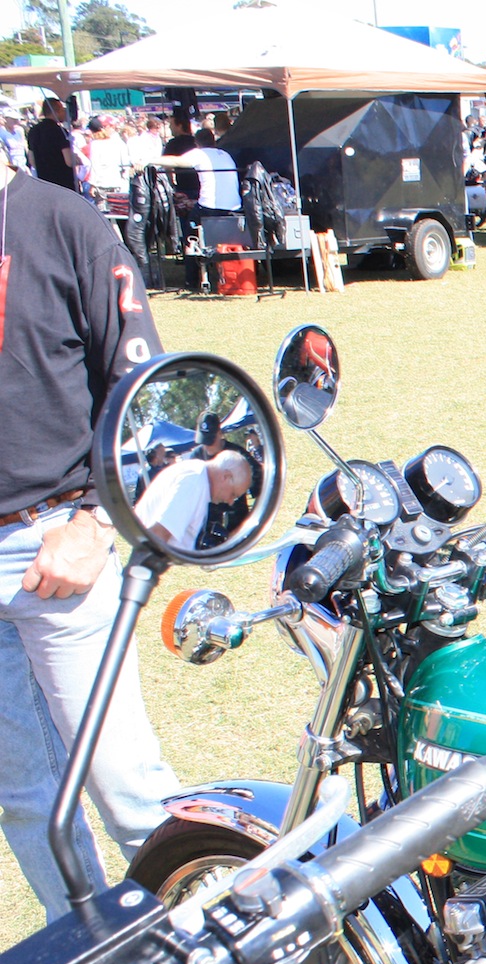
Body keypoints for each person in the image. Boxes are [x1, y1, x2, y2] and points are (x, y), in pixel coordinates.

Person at [0, 144, 179, 918]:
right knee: (25, 797)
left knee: (128, 788)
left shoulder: (64, 221)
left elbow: (144, 389)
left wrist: (95, 520)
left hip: (54, 543)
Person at [133, 451, 254, 550]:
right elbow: (157, 535)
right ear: (226, 477)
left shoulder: (197, 473)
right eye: (233, 494)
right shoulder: (194, 482)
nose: (231, 501)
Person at [26, 98, 76, 193]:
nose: (65, 113)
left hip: (45, 183)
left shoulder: (33, 131)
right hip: (64, 184)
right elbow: (69, 161)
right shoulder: (60, 131)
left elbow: (32, 161)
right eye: (62, 110)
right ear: (56, 111)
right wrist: (77, 160)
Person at [0, 108, 27, 173]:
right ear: (5, 119)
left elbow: (25, 147)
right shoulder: (2, 133)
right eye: (13, 119)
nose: (16, 121)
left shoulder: (19, 131)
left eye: (16, 119)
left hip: (23, 165)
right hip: (11, 167)